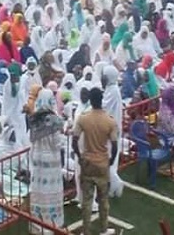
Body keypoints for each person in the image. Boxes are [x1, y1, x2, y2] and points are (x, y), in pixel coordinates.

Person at [73, 87, 118, 235]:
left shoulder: (83, 118)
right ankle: (104, 229)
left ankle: (86, 231)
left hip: (87, 163)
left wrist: (80, 157)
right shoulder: (109, 121)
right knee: (103, 200)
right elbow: (115, 145)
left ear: (90, 101)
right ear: (101, 100)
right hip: (102, 163)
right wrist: (110, 160)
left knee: (86, 201)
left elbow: (74, 141)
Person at [28, 89, 65, 234]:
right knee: (50, 192)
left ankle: (37, 225)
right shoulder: (53, 120)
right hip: (50, 162)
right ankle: (51, 224)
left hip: (37, 159)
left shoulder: (35, 118)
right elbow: (57, 144)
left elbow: (31, 139)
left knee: (39, 191)